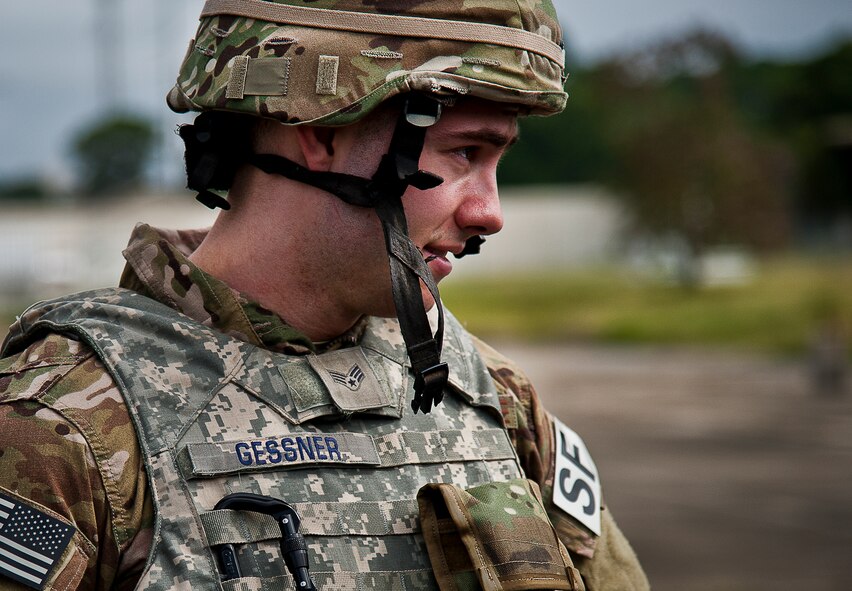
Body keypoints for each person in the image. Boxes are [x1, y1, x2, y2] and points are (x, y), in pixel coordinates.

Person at [0, 1, 649, 589]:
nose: (489, 213)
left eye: (496, 161)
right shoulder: (61, 429)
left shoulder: (494, 398)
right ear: (324, 131)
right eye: (463, 153)